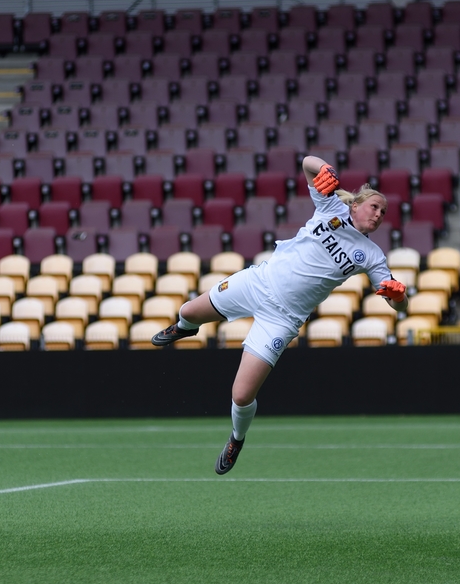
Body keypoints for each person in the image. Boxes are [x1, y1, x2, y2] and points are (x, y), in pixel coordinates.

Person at [151, 155, 409, 474]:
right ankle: (185, 327)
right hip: (257, 283)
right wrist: (324, 168)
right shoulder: (330, 206)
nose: (379, 214)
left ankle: (236, 439)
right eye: (374, 207)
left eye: (383, 212)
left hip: (283, 319)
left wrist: (399, 297)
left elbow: (398, 304)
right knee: (188, 311)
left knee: (241, 395)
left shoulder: (372, 256)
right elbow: (306, 163)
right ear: (355, 206)